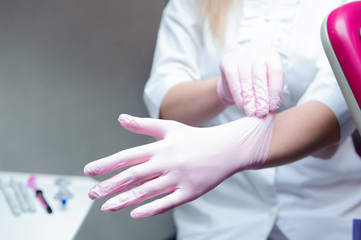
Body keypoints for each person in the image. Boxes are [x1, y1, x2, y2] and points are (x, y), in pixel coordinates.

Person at [84, 0, 361, 239]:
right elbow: (167, 104)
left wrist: (240, 148)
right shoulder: (193, 5)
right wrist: (221, 89)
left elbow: (332, 111)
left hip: (326, 217)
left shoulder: (344, 8)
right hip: (218, 220)